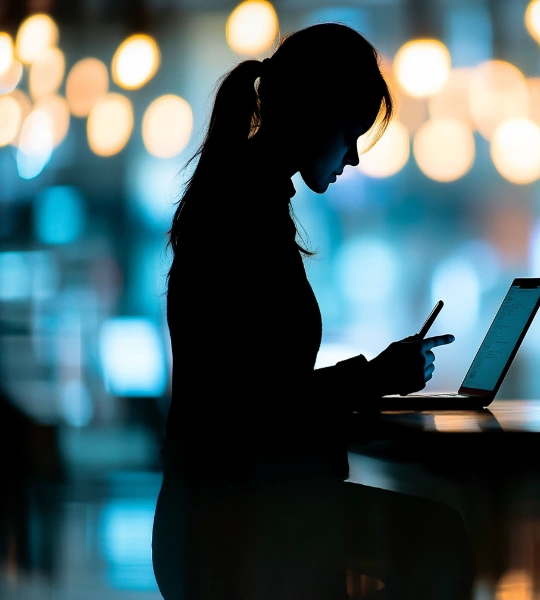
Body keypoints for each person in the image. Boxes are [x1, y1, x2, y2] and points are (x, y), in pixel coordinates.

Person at [150, 22, 476, 600]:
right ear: (314, 116)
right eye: (350, 132)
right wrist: (375, 377)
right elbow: (256, 402)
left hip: (216, 511)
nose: (352, 156)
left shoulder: (237, 197)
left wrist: (372, 377)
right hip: (241, 520)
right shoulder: (246, 214)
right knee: (436, 537)